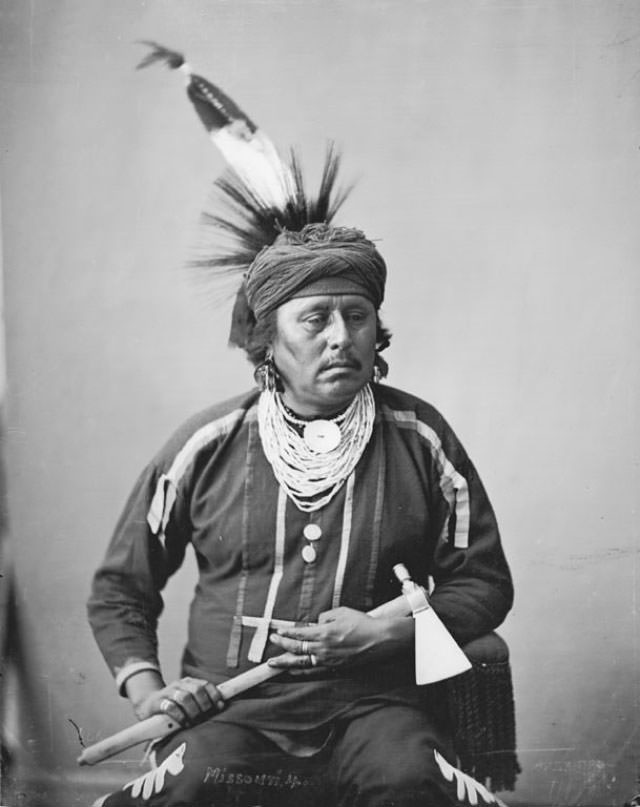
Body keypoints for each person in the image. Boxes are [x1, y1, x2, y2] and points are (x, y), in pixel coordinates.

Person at [86, 222, 514, 807]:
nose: (342, 337)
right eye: (316, 319)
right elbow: (119, 588)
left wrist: (386, 631)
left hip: (377, 707)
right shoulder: (209, 444)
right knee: (192, 787)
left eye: (357, 316)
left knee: (409, 783)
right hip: (228, 710)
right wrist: (150, 694)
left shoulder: (420, 438)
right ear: (269, 342)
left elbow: (484, 581)